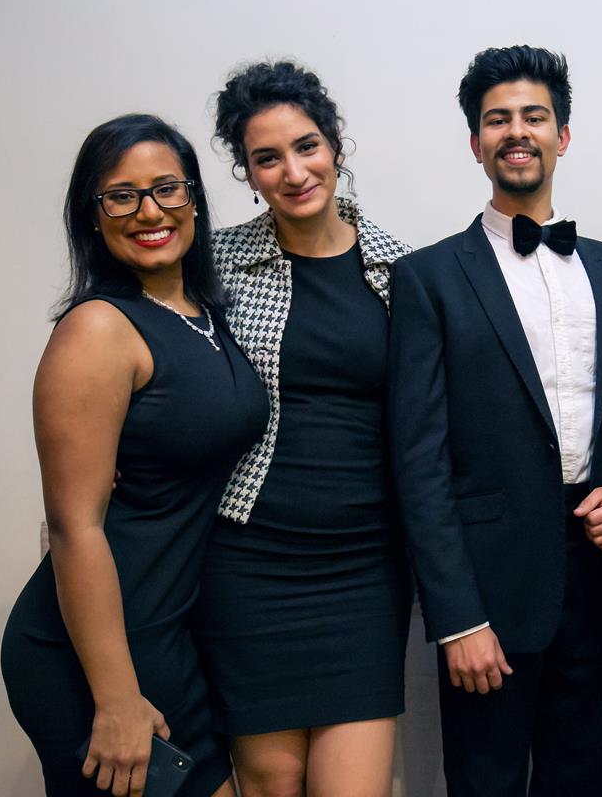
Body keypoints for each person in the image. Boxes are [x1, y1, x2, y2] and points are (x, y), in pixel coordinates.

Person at [388, 45, 602, 797]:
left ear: (561, 136)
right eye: (497, 120)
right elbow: (418, 460)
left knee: (581, 779)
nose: (517, 131)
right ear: (476, 144)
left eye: (534, 117)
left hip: (597, 577)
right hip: (489, 592)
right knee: (486, 783)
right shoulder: (428, 277)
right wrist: (456, 618)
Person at [0, 114, 268, 797]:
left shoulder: (208, 315)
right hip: (97, 650)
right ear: (92, 217)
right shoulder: (98, 329)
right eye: (121, 196)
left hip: (166, 627)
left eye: (167, 189)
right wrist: (116, 697)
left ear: (194, 199)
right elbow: (73, 526)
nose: (150, 211)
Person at [191, 60, 412, 797]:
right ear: (248, 172)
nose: (293, 172)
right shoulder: (215, 265)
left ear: (335, 146)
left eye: (307, 146)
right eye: (267, 157)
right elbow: (162, 372)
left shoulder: (404, 270)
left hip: (364, 567)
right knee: (271, 783)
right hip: (249, 564)